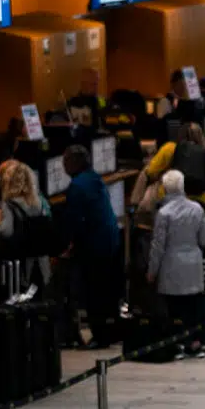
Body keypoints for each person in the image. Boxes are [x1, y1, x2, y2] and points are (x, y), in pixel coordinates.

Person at [60, 144, 122, 348]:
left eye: (65, 161)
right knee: (107, 289)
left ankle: (100, 336)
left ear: (74, 163)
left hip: (94, 245)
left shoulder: (77, 186)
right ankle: (111, 331)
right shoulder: (95, 178)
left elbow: (74, 221)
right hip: (110, 240)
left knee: (93, 291)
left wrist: (67, 246)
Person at [147, 170, 205, 348]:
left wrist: (152, 271)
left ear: (165, 189)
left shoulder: (163, 213)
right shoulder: (196, 209)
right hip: (193, 264)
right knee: (193, 307)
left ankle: (179, 343)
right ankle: (196, 341)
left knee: (174, 308)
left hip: (171, 266)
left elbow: (157, 246)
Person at [0, 159, 56, 291]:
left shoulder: (10, 204)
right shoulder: (38, 200)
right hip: (40, 257)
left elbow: (6, 232)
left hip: (20, 260)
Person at [135, 122, 205, 215]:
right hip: (200, 202)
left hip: (171, 200)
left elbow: (151, 172)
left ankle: (136, 208)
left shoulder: (170, 148)